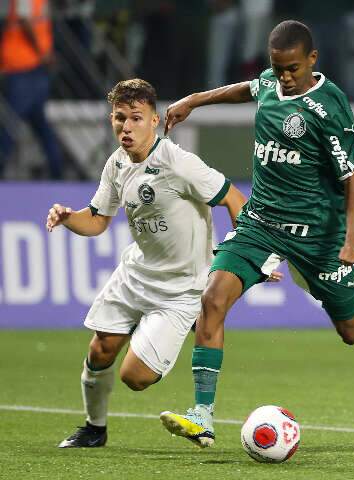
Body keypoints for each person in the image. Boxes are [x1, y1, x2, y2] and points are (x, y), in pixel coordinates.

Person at [159, 20, 354, 448]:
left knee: (352, 329)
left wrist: (351, 240)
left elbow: (353, 182)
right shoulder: (270, 82)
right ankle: (202, 415)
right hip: (260, 223)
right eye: (278, 67)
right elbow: (245, 88)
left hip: (316, 233)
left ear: (313, 60)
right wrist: (193, 100)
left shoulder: (330, 108)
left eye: (293, 68)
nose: (285, 76)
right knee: (211, 301)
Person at [46, 78, 251, 448]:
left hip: (181, 289)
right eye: (119, 118)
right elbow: (96, 219)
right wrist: (67, 217)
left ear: (154, 120)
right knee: (100, 349)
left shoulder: (179, 163)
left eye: (136, 118)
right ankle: (94, 429)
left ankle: (177, 331)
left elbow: (235, 199)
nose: (126, 127)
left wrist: (245, 254)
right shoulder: (117, 164)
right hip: (135, 275)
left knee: (135, 377)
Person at [0, 0, 63, 179]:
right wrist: (43, 53)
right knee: (38, 123)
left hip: (23, 67)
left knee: (11, 123)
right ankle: (56, 168)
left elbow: (25, 19)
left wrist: (42, 52)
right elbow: (28, 20)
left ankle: (1, 166)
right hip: (31, 66)